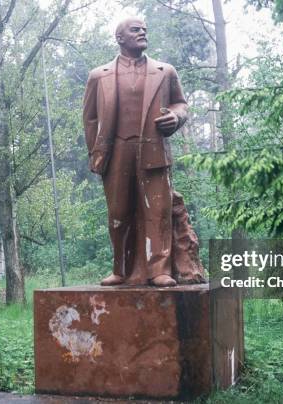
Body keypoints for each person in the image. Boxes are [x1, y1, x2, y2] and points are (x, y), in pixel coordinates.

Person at [83, 17, 205, 287]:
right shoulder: (98, 75)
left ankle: (159, 269)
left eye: (144, 30)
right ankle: (121, 269)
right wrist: (96, 153)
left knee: (158, 212)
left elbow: (181, 105)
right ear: (120, 38)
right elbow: (90, 118)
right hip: (116, 152)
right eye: (135, 30)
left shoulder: (165, 71)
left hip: (153, 149)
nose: (142, 32)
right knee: (118, 211)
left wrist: (175, 117)